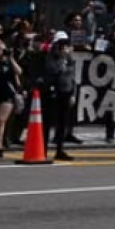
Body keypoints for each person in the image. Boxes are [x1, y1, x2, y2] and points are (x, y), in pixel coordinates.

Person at [43, 31, 77, 161]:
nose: (63, 47)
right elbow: (53, 70)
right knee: (48, 122)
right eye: (60, 44)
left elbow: (72, 75)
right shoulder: (50, 56)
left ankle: (60, 149)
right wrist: (62, 60)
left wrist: (72, 93)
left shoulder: (69, 57)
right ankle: (44, 149)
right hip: (53, 92)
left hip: (66, 91)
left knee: (63, 122)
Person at [0, 39, 22, 158]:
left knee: (2, 119)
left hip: (8, 93)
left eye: (1, 48)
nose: (0, 51)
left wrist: (11, 58)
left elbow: (19, 71)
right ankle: (0, 145)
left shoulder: (9, 62)